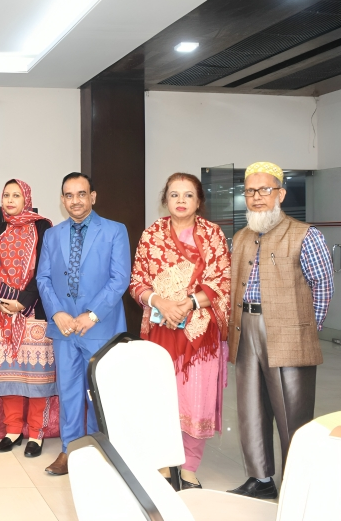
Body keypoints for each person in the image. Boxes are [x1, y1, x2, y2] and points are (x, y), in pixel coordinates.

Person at [227, 162, 333, 500]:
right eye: (250, 191)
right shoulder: (241, 237)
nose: (257, 197)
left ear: (281, 194)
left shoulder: (306, 234)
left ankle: (296, 484)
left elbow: (323, 285)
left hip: (290, 333)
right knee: (251, 409)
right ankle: (260, 479)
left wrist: (307, 330)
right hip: (247, 329)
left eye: (264, 190)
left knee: (292, 413)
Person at [129, 173, 231, 489]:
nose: (181, 201)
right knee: (161, 398)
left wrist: (188, 303)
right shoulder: (152, 234)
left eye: (188, 195)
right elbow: (136, 282)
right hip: (161, 329)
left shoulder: (212, 235)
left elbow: (222, 282)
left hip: (200, 333)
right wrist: (160, 301)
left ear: (199, 201)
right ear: (166, 200)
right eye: (174, 195)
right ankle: (162, 464)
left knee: (196, 399)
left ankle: (188, 468)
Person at [36, 172, 130, 476]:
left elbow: (120, 278)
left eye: (81, 194)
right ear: (62, 200)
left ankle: (99, 452)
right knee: (69, 392)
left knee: (99, 393)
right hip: (64, 328)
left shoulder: (115, 230)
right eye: (69, 195)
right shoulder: (53, 234)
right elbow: (43, 278)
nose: (75, 200)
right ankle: (70, 450)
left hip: (99, 327)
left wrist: (92, 314)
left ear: (93, 196)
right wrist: (57, 313)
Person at [0, 179, 55, 458]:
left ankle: (36, 434)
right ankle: (13, 430)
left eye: (16, 195)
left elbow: (46, 270)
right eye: (6, 195)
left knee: (37, 377)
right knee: (9, 374)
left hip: (33, 311)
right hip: (3, 312)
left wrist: (23, 301)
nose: (10, 200)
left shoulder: (42, 227)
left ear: (26, 199)